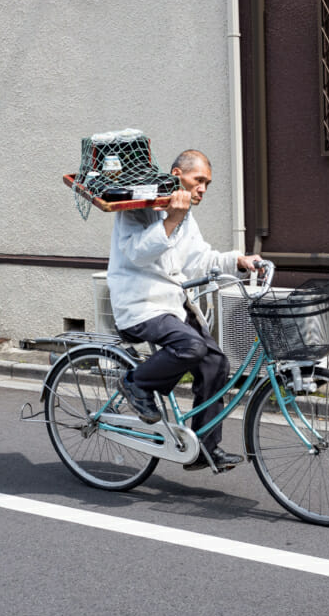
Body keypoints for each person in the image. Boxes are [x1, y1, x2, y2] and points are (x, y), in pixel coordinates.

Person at [107, 149, 262, 472]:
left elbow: (198, 259)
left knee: (216, 362)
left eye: (207, 183)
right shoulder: (136, 208)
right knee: (190, 346)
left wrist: (238, 260)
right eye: (198, 180)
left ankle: (204, 448)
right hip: (140, 305)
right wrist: (172, 219)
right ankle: (135, 382)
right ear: (177, 174)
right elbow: (136, 254)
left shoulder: (185, 215)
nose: (203, 188)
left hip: (172, 303)